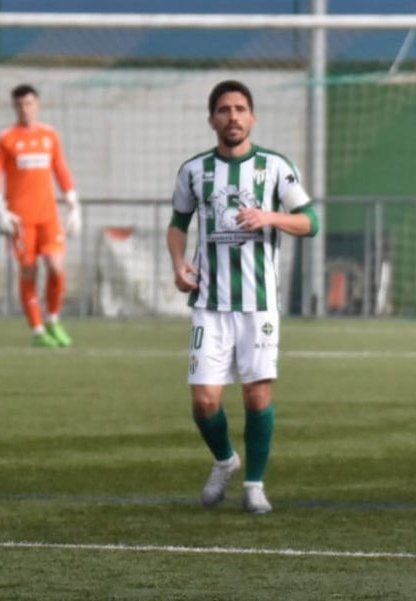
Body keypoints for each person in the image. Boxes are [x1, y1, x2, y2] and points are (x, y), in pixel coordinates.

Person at [166, 80, 319, 515]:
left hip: (259, 305)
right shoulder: (194, 171)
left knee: (256, 397)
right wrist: (178, 264)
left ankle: (254, 484)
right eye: (224, 109)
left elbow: (311, 221)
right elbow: (177, 224)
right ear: (211, 118)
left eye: (240, 109)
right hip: (210, 305)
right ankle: (224, 460)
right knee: (204, 401)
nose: (232, 116)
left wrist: (269, 216)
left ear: (252, 117)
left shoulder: (275, 168)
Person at [0, 83, 81, 348]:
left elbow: (60, 168)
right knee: (29, 271)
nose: (24, 109)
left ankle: (53, 319)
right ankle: (38, 330)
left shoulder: (50, 135)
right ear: (13, 107)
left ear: (37, 104)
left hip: (48, 216)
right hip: (20, 220)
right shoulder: (5, 138)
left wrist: (73, 203)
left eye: (28, 103)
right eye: (19, 104)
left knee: (56, 267)